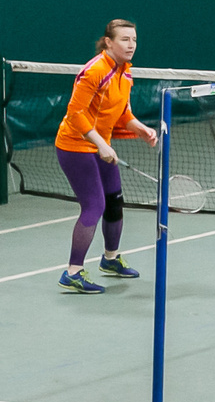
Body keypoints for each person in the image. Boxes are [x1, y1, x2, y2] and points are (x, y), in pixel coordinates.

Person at [54, 19, 158, 293]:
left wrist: (141, 128)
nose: (131, 44)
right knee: (94, 206)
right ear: (108, 42)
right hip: (75, 146)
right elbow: (75, 113)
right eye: (124, 39)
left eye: (134, 39)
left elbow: (122, 113)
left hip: (101, 145)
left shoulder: (125, 73)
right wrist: (100, 143)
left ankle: (110, 260)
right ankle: (73, 272)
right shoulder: (95, 71)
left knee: (114, 202)